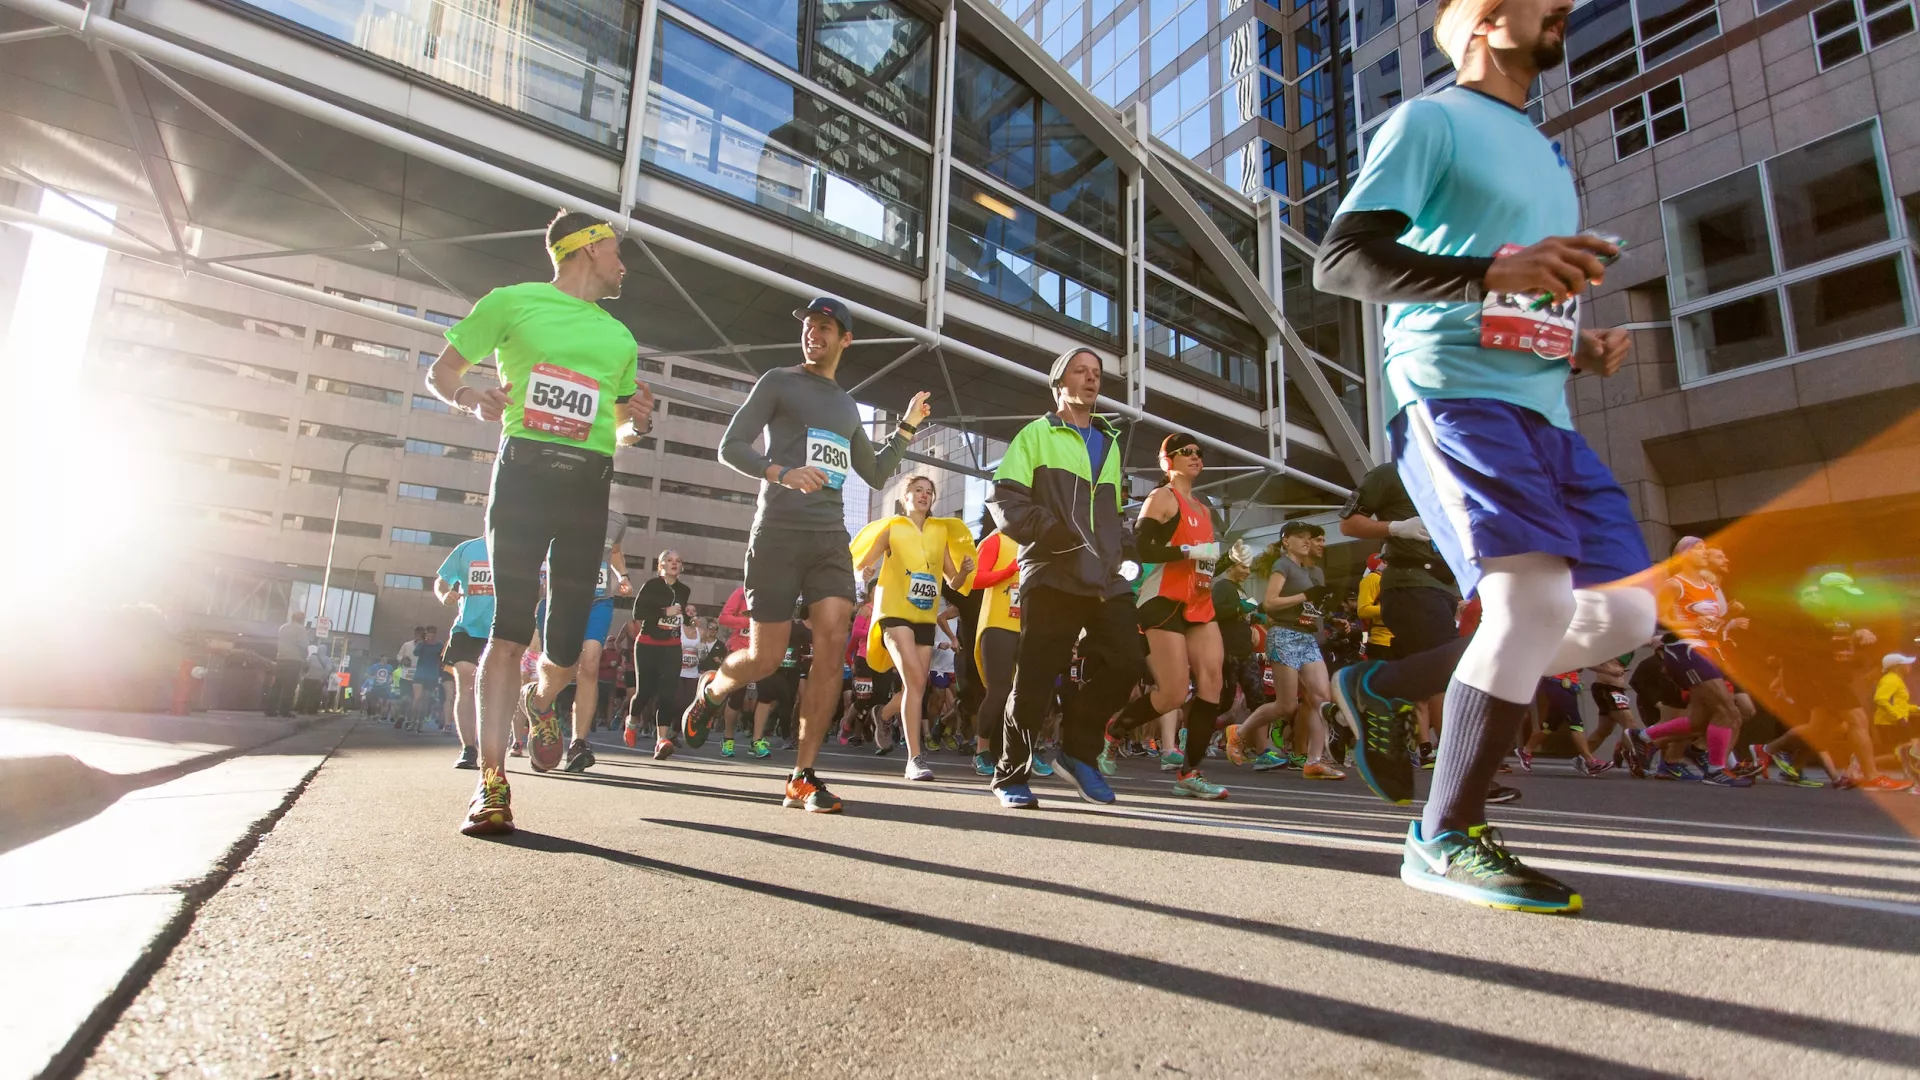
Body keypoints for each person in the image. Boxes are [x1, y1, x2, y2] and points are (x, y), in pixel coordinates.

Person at [1311, 0, 1659, 912]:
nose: (1564, 9)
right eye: (1542, 0)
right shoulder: (1431, 120)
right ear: (1484, 21)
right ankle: (1444, 835)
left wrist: (1575, 343)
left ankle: (1386, 685)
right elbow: (1341, 260)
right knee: (1531, 601)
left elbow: (1522, 293)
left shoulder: (1545, 153)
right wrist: (1489, 273)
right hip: (1451, 392)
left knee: (1626, 617)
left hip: (1546, 408)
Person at [426, 209, 655, 836]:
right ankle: (492, 785)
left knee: (563, 646)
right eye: (614, 250)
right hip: (523, 475)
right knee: (508, 628)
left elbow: (625, 430)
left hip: (588, 486)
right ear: (584, 250)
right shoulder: (512, 303)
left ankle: (540, 699)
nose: (622, 263)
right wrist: (472, 398)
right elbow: (442, 371)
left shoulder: (620, 338)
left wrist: (639, 418)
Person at [680, 296, 933, 813]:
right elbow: (732, 446)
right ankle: (713, 689)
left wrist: (906, 426)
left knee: (834, 643)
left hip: (828, 539)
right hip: (776, 532)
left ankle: (803, 775)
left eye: (825, 328)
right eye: (809, 327)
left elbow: (878, 473)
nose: (814, 334)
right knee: (765, 658)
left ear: (846, 340)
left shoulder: (845, 405)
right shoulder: (778, 381)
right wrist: (780, 472)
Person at [987, 347, 1144, 810]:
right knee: (1035, 676)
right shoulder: (1035, 435)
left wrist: (1127, 553)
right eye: (1081, 371)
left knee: (1128, 662)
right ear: (1059, 384)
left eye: (1096, 373)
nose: (1092, 379)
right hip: (1054, 571)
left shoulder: (1110, 442)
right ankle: (1010, 773)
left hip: (1106, 577)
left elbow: (1116, 513)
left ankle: (1077, 751)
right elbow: (1006, 502)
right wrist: (1056, 537)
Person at [1094, 432, 1230, 799]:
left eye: (1200, 452)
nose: (1195, 457)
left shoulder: (1203, 508)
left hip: (1199, 601)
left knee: (1212, 683)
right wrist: (1188, 551)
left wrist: (1230, 562)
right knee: (1171, 694)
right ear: (1167, 461)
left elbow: (1203, 560)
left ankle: (1190, 773)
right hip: (1163, 598)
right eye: (1186, 452)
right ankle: (1114, 730)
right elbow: (1141, 547)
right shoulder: (1162, 497)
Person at [850, 474, 976, 781]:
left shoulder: (939, 531)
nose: (924, 495)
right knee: (917, 680)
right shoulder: (893, 527)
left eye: (929, 492)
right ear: (905, 497)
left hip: (924, 617)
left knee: (915, 686)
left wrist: (963, 571)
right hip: (894, 612)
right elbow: (863, 564)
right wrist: (865, 570)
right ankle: (914, 758)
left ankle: (883, 714)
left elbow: (953, 582)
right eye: (917, 490)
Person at [1233, 523, 1344, 779]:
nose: (1307, 541)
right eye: (1301, 537)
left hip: (1307, 638)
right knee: (1285, 705)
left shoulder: (1315, 571)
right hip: (1284, 635)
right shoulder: (1282, 565)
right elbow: (1269, 603)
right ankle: (1238, 734)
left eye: (1309, 537)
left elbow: (1310, 609)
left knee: (1321, 698)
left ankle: (1313, 760)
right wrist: (1305, 596)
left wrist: (1328, 617)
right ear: (1286, 541)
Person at [553, 510, 636, 772]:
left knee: (589, 665)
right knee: (559, 667)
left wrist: (623, 576)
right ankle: (541, 717)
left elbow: (614, 552)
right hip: (561, 598)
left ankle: (578, 743)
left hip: (599, 599)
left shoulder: (616, 520)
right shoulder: (557, 509)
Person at [627, 549, 693, 759]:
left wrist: (689, 621)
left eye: (678, 561)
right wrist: (664, 612)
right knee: (644, 692)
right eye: (669, 560)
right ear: (661, 565)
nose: (674, 563)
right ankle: (632, 721)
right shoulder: (651, 586)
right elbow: (638, 614)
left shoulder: (684, 590)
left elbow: (680, 615)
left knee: (667, 694)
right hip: (647, 644)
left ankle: (661, 740)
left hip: (672, 646)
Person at [435, 534, 494, 769]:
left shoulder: (516, 549)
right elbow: (442, 581)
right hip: (466, 630)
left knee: (491, 691)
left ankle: (495, 746)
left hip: (500, 631)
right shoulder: (467, 549)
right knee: (466, 685)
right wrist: (444, 595)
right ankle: (469, 749)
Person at [969, 525, 1022, 776]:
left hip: (1029, 627)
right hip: (998, 623)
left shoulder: (1038, 542)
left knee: (1029, 694)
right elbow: (976, 579)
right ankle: (982, 750)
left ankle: (1022, 751)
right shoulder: (996, 540)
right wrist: (1010, 570)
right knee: (999, 691)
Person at [267, 611, 308, 718]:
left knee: (277, 685)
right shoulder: (301, 629)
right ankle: (284, 710)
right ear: (301, 619)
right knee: (289, 686)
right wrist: (304, 657)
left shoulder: (283, 628)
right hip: (294, 660)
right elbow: (303, 645)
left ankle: (270, 709)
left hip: (281, 659)